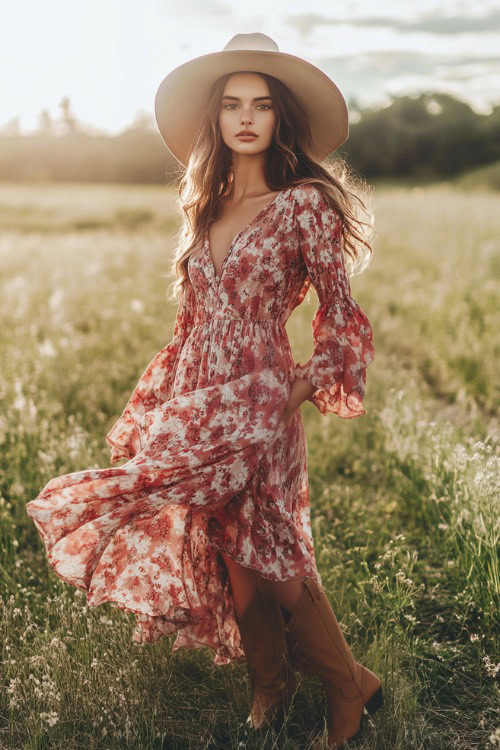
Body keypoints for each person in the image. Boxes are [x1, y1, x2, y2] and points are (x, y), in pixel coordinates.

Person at [26, 32, 382, 750]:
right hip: (198, 394)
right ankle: (270, 687)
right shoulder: (208, 202)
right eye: (231, 105)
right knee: (231, 548)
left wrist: (307, 385)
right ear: (215, 119)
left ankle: (351, 688)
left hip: (261, 396)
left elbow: (340, 311)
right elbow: (193, 322)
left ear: (281, 117)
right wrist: (165, 396)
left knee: (273, 549)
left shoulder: (305, 203)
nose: (246, 118)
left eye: (261, 105)